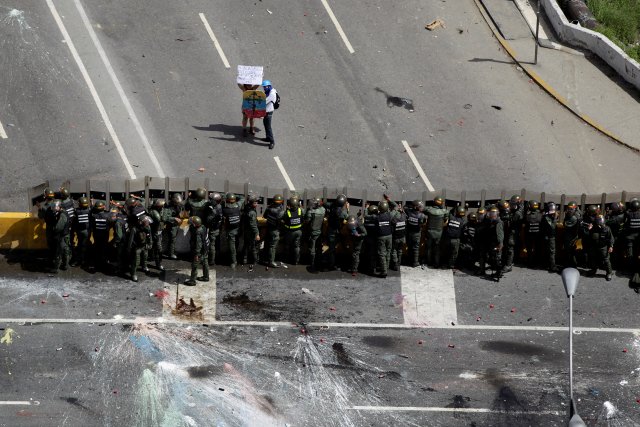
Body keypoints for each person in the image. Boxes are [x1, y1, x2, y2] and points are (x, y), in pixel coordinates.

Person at [477, 206, 503, 280]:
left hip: (494, 243)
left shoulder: (497, 222)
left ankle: (498, 273)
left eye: (493, 213)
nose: (492, 215)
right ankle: (482, 270)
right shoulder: (488, 220)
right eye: (491, 213)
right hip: (487, 241)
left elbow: (500, 234)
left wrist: (500, 244)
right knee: (484, 256)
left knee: (496, 258)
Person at [45, 200, 70, 273]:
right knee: (65, 251)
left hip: (62, 236)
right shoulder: (64, 212)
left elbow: (58, 227)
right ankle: (65, 266)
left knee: (58, 253)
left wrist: (53, 229)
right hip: (65, 235)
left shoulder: (62, 215)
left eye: (55, 207)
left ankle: (56, 269)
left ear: (59, 207)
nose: (53, 208)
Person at [587, 214, 614, 281]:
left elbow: (611, 238)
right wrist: (589, 230)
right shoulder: (593, 228)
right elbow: (588, 237)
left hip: (603, 247)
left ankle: (609, 273)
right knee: (593, 258)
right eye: (598, 222)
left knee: (606, 260)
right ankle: (593, 270)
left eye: (601, 222)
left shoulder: (607, 229)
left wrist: (611, 246)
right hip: (594, 246)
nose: (600, 224)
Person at [326, 194, 349, 270]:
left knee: (331, 248)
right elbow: (347, 217)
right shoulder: (342, 213)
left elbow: (326, 204)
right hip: (337, 231)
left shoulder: (332, 206)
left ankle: (331, 263)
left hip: (330, 230)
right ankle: (333, 265)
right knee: (342, 245)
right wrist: (347, 209)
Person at [221, 192, 244, 268]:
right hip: (238, 229)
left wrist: (225, 195)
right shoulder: (238, 206)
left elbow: (221, 200)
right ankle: (236, 258)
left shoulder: (224, 208)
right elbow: (242, 198)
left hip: (230, 231)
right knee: (236, 245)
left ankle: (233, 262)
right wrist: (235, 195)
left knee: (232, 247)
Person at [424, 197, 448, 267]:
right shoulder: (444, 211)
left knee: (428, 248)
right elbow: (446, 220)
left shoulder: (429, 210)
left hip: (429, 232)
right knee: (437, 249)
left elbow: (423, 209)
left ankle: (428, 262)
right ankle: (436, 263)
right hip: (439, 233)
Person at [185, 216, 209, 286]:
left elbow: (198, 245)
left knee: (195, 265)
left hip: (200, 251)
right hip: (205, 249)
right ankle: (206, 277)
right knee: (205, 262)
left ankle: (192, 281)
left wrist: (196, 255)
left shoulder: (198, 232)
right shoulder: (203, 227)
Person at [127, 215, 152, 282]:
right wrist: (129, 248)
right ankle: (133, 274)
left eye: (147, 222)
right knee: (136, 262)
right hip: (137, 247)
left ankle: (144, 267)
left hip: (144, 246)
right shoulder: (134, 229)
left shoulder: (148, 228)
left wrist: (150, 244)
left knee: (145, 257)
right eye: (146, 222)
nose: (147, 223)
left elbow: (150, 236)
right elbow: (131, 240)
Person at [304, 197, 325, 271]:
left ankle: (312, 263)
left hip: (312, 232)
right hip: (319, 231)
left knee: (312, 249)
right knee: (319, 247)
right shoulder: (323, 210)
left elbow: (307, 221)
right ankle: (319, 261)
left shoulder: (311, 212)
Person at [264, 194, 285, 268]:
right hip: (275, 230)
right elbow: (283, 221)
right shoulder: (281, 211)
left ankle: (266, 258)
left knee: (268, 244)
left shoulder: (269, 208)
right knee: (273, 247)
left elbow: (264, 216)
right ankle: (271, 262)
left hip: (269, 228)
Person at [149, 199, 169, 271]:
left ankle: (154, 260)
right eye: (161, 206)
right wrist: (165, 211)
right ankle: (158, 264)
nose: (162, 207)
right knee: (158, 249)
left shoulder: (157, 211)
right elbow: (162, 218)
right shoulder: (154, 212)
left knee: (155, 248)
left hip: (158, 232)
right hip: (155, 232)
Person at [90, 200, 110, 272]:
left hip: (97, 235)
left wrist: (92, 205)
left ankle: (96, 264)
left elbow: (92, 211)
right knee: (104, 249)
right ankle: (104, 264)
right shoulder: (108, 215)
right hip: (105, 236)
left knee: (97, 249)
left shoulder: (93, 215)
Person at [405, 200, 426, 267]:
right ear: (415, 207)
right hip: (416, 234)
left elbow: (405, 208)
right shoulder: (422, 215)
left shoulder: (408, 212)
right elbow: (424, 222)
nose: (421, 208)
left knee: (410, 247)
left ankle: (409, 261)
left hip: (409, 233)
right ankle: (415, 262)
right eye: (419, 207)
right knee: (416, 248)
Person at [72, 197, 92, 268]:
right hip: (87, 231)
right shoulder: (89, 210)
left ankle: (80, 260)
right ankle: (86, 260)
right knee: (85, 245)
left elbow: (74, 221)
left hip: (79, 231)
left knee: (80, 245)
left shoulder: (76, 211)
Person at [283, 196, 303, 265]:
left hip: (290, 232)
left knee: (288, 245)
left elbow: (284, 220)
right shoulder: (301, 210)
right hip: (299, 231)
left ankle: (286, 259)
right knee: (296, 246)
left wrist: (286, 210)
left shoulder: (288, 212)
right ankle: (296, 261)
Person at [242, 194, 260, 268]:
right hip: (251, 232)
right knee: (254, 246)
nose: (257, 204)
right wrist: (257, 234)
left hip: (246, 230)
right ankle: (255, 260)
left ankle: (244, 259)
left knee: (246, 245)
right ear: (252, 203)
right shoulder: (252, 212)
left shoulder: (247, 207)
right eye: (255, 203)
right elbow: (253, 225)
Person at [109, 206, 128, 275]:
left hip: (121, 241)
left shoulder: (117, 223)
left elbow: (119, 235)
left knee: (119, 255)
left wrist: (115, 242)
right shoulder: (123, 218)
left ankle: (120, 269)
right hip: (126, 239)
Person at [388, 197, 406, 271]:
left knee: (394, 250)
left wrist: (395, 209)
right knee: (400, 250)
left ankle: (395, 264)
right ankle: (399, 263)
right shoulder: (404, 217)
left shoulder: (393, 219)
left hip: (395, 237)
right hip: (402, 237)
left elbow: (390, 216)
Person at [206, 192, 224, 266]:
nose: (210, 201)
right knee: (217, 244)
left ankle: (212, 260)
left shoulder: (214, 210)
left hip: (213, 229)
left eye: (211, 199)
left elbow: (208, 219)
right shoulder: (220, 206)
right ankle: (218, 258)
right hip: (218, 228)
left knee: (212, 246)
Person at [376, 200, 393, 278]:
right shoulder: (390, 215)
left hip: (381, 237)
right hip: (389, 236)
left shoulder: (377, 217)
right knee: (388, 252)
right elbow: (395, 208)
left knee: (382, 254)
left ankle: (384, 271)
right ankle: (386, 267)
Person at [540, 202, 559, 273]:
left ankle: (548, 264)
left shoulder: (547, 216)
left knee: (549, 251)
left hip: (549, 236)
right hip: (550, 237)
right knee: (552, 252)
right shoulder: (547, 217)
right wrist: (555, 219)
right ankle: (552, 266)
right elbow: (553, 227)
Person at [563, 201, 582, 268]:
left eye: (572, 209)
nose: (570, 210)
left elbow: (566, 224)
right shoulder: (573, 215)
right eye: (569, 208)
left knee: (571, 251)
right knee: (570, 251)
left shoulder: (574, 217)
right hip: (570, 236)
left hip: (572, 236)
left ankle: (573, 266)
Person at [166, 193, 184, 259]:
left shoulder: (178, 205)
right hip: (171, 225)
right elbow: (166, 218)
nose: (178, 204)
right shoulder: (168, 207)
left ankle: (171, 251)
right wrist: (175, 218)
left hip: (176, 225)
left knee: (173, 239)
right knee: (172, 240)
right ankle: (171, 253)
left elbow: (181, 212)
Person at [524, 200, 542, 267]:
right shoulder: (540, 215)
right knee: (537, 248)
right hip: (537, 235)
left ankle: (530, 262)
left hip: (529, 235)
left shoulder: (528, 216)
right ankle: (537, 261)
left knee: (529, 249)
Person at [363, 204, 379, 274]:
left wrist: (366, 208)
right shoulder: (376, 218)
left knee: (367, 253)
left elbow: (365, 215)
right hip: (374, 239)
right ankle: (373, 268)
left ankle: (367, 267)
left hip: (367, 239)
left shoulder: (366, 218)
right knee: (374, 255)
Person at [261, 79, 277, 149]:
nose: (264, 88)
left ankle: (272, 141)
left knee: (268, 126)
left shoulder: (272, 94)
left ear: (269, 86)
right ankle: (268, 137)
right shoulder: (268, 92)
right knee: (265, 124)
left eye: (265, 87)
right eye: (264, 87)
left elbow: (265, 102)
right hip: (266, 110)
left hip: (269, 111)